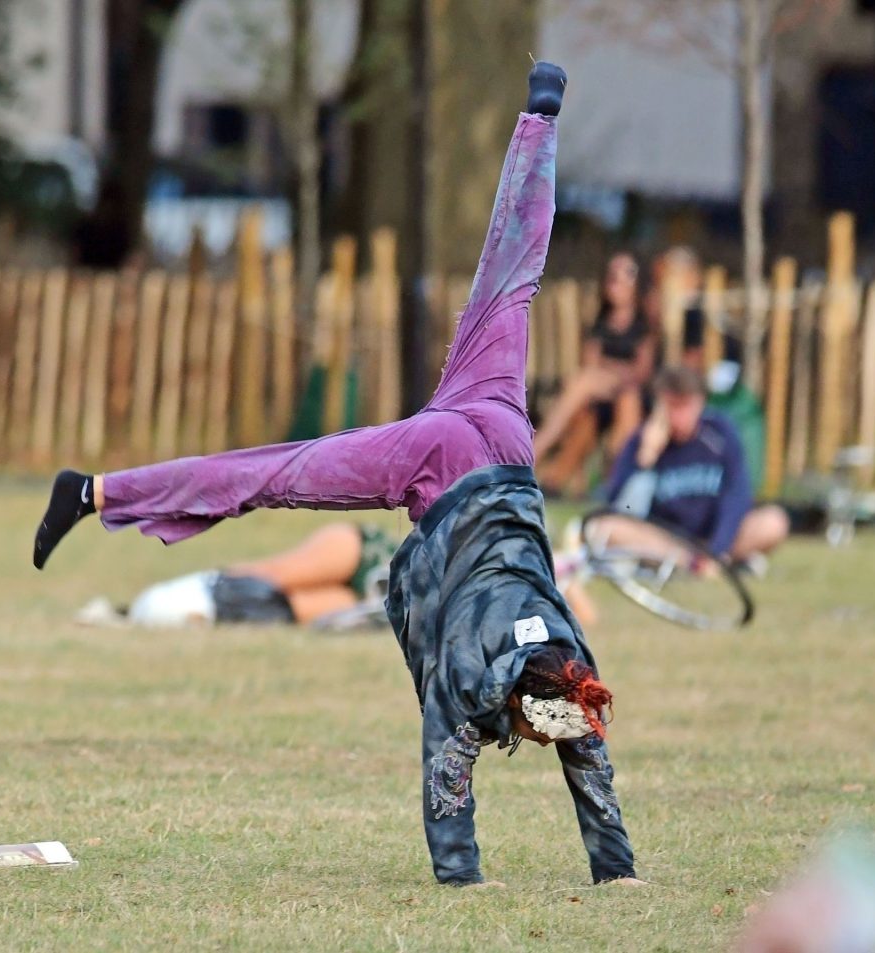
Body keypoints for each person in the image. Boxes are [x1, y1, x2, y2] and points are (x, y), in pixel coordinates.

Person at [32, 63, 640, 888]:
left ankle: (540, 112)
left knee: (513, 273)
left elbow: (576, 747)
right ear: (541, 707)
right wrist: (474, 878)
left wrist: (618, 871)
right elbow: (450, 765)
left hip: (501, 430)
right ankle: (98, 492)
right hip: (442, 463)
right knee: (273, 474)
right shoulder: (498, 675)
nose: (545, 740)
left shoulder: (572, 662)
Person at [598, 364, 789, 568]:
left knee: (774, 522)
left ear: (700, 403)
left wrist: (718, 547)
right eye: (671, 406)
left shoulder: (720, 433)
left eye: (685, 406)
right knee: (607, 528)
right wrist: (645, 458)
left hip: (714, 537)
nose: (677, 416)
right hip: (666, 540)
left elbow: (737, 494)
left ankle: (714, 562)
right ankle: (698, 565)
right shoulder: (642, 440)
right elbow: (619, 505)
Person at [76, 521, 399, 628]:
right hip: (378, 560)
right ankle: (209, 585)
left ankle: (128, 612)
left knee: (287, 608)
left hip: (381, 602)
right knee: (274, 578)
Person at [533, 252, 655, 495]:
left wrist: (610, 369)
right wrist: (610, 370)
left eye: (626, 274)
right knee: (584, 400)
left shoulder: (644, 324)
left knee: (610, 393)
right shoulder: (601, 322)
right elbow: (589, 362)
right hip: (600, 395)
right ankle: (554, 479)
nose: (617, 281)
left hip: (630, 393)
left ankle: (534, 451)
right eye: (612, 275)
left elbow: (641, 372)